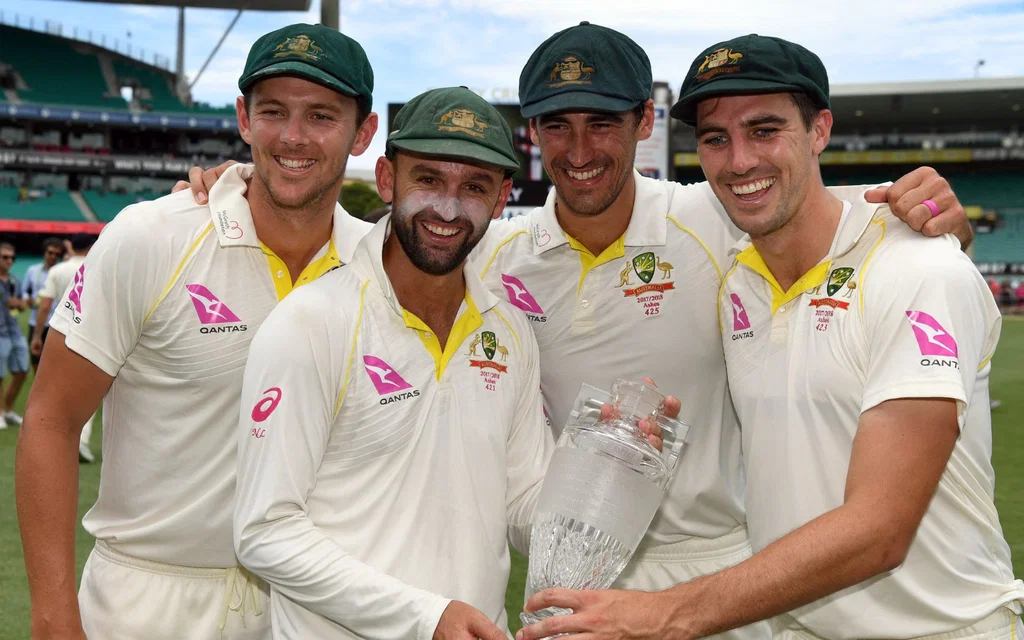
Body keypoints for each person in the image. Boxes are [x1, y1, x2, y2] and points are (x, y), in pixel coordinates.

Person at [183, 24, 972, 640]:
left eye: (603, 124)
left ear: (643, 122)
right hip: (572, 582)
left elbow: (804, 205)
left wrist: (924, 211)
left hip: (725, 571)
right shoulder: (504, 255)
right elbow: (405, 246)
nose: (581, 150)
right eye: (557, 127)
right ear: (531, 139)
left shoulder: (714, 217)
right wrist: (245, 184)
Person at [518, 34, 1023, 640]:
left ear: (819, 130)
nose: (739, 161)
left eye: (764, 130)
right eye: (715, 139)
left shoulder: (919, 269)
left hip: (944, 629)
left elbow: (880, 529)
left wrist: (666, 613)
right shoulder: (740, 274)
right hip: (795, 626)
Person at [15, 23, 377, 640]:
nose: (293, 136)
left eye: (321, 115)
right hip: (147, 602)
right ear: (243, 118)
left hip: (313, 606)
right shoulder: (151, 236)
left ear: (364, 133)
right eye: (273, 111)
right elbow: (50, 420)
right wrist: (53, 618)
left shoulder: (378, 266)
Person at [234, 86, 554, 640]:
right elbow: (264, 531)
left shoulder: (510, 330)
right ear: (387, 179)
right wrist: (425, 617)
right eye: (427, 179)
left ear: (502, 198)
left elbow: (527, 507)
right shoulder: (311, 322)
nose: (448, 209)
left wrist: (611, 467)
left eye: (474, 187)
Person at [30, 233, 98, 463]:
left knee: (56, 390)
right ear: (90, 247)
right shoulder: (97, 266)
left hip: (60, 332)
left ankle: (51, 438)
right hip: (90, 334)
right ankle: (80, 440)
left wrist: (37, 335)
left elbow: (45, 305)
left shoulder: (57, 271)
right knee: (89, 390)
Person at [22, 237, 64, 373]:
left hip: (55, 324)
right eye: (50, 252)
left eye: (57, 254)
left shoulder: (61, 272)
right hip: (35, 320)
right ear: (44, 253)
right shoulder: (32, 270)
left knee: (53, 365)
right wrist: (27, 298)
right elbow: (24, 290)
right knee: (35, 359)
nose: (53, 256)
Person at [0, 242, 29, 428]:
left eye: (12, 257)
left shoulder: (14, 281)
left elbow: (17, 309)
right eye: (5, 257)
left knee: (22, 371)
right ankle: (0, 413)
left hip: (13, 330)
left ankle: (8, 410)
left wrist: (18, 306)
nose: (9, 261)